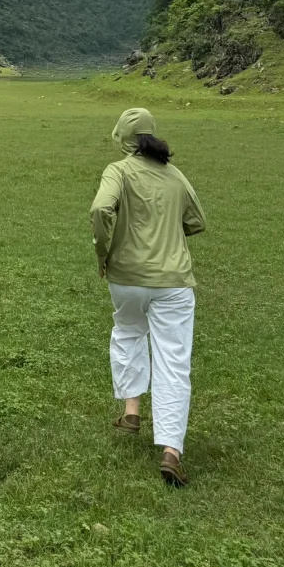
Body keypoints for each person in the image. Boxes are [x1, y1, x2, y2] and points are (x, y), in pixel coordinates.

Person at [90, 106, 206, 487]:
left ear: (123, 138)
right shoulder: (175, 176)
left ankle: (132, 410)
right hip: (173, 280)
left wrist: (103, 252)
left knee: (127, 330)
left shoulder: (118, 171)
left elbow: (100, 208)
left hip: (126, 277)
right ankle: (172, 451)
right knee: (174, 361)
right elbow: (197, 221)